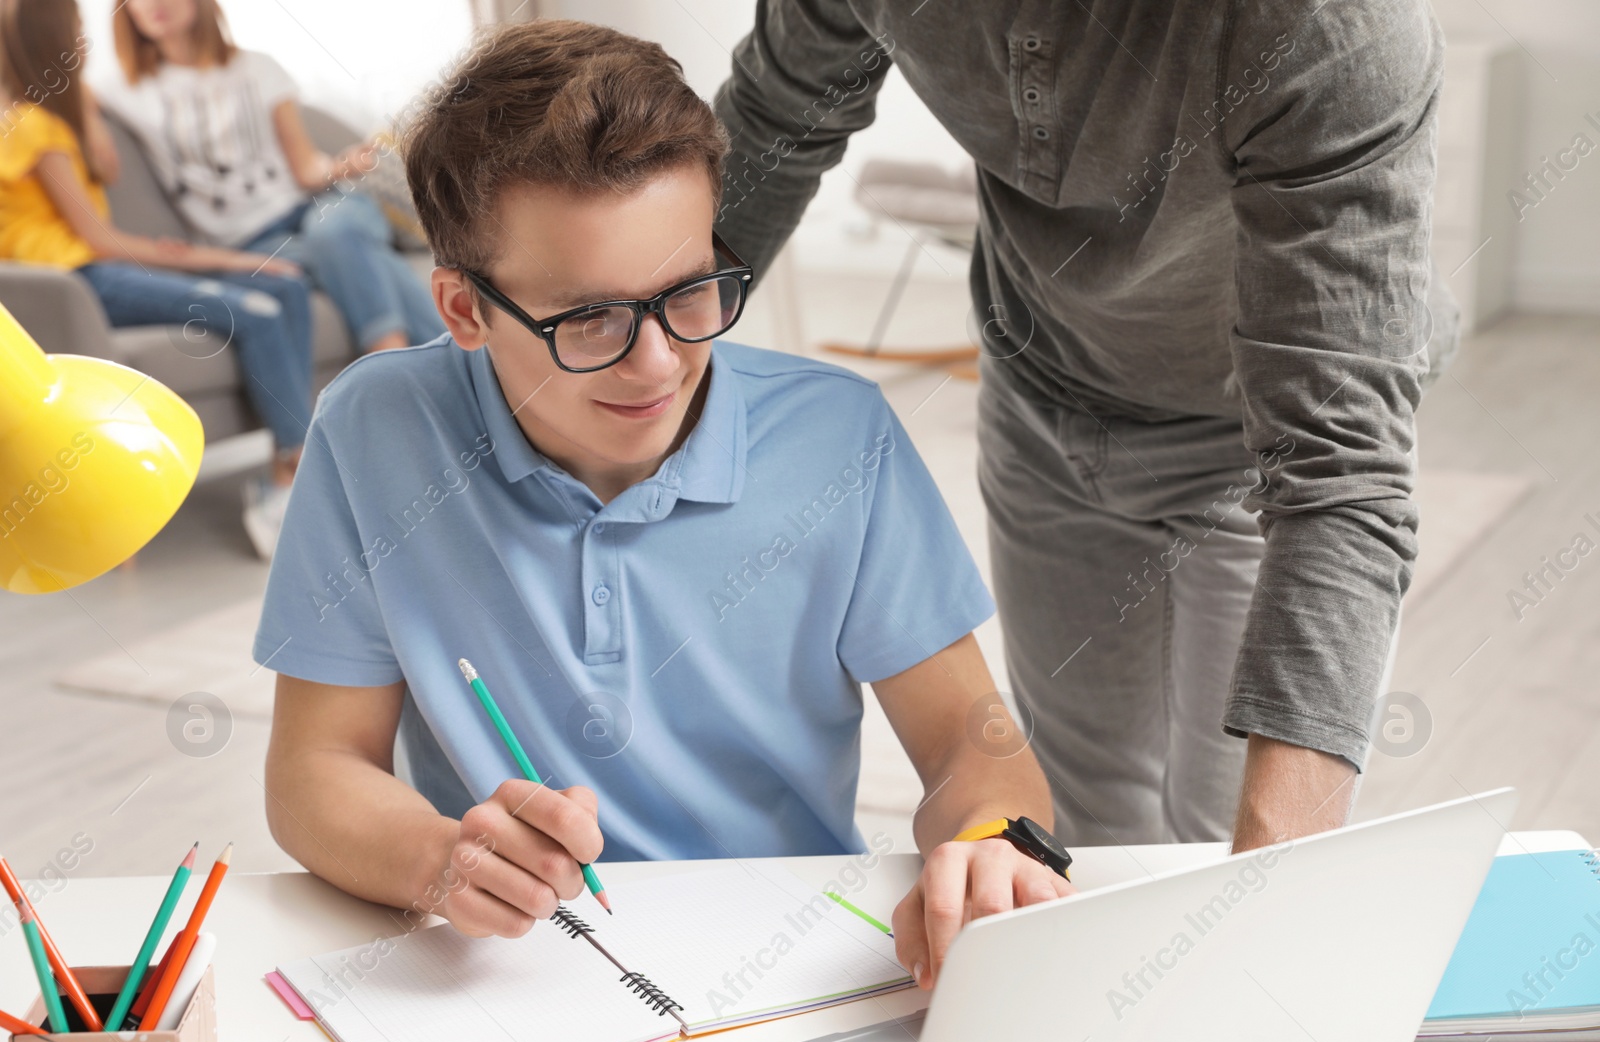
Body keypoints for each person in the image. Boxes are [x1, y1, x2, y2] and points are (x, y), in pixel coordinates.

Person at [254, 19, 1072, 990]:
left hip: (794, 975)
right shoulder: (372, 430)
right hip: (513, 974)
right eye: (589, 318)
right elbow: (313, 772)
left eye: (688, 294)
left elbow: (970, 742)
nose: (659, 363)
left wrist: (990, 840)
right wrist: (443, 860)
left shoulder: (838, 437)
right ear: (464, 310)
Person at [711, 0, 1460, 852]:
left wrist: (1264, 896)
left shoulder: (1333, 28)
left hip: (1257, 430)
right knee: (1078, 828)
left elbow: (1340, 478)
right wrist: (621, 341)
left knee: (1218, 854)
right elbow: (778, 117)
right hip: (1042, 381)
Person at [0, 0, 312, 557]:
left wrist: (82, 103)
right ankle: (296, 476)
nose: (84, 38)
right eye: (74, 29)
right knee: (258, 308)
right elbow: (100, 240)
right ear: (55, 39)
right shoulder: (33, 127)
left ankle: (291, 464)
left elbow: (106, 163)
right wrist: (225, 260)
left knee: (287, 286)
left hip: (102, 267)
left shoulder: (62, 111)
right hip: (82, 278)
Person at [94, 0, 442, 356]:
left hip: (321, 207)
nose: (154, 4)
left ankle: (384, 359)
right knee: (359, 257)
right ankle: (457, 362)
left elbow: (306, 169)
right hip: (254, 241)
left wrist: (341, 165)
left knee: (334, 232)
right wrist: (93, 128)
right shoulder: (121, 87)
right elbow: (59, 104)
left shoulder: (258, 68)